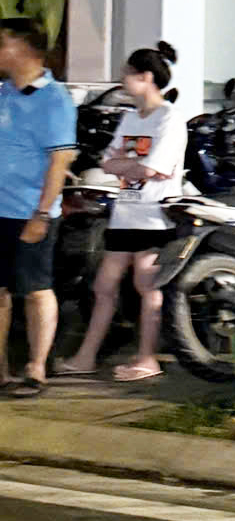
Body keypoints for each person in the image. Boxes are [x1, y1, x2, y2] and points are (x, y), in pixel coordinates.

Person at [61, 43, 190, 383]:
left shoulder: (170, 118)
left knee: (146, 285)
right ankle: (86, 357)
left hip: (154, 215)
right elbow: (108, 161)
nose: (122, 80)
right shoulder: (132, 117)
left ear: (145, 77)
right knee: (104, 285)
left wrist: (127, 165)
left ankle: (147, 358)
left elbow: (153, 168)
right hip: (126, 212)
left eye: (127, 74)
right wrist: (131, 166)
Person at [0, 18, 78, 397]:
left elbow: (59, 162)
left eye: (3, 43)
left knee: (35, 289)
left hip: (30, 211)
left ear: (25, 49)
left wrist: (42, 214)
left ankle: (36, 367)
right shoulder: (3, 93)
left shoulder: (54, 99)